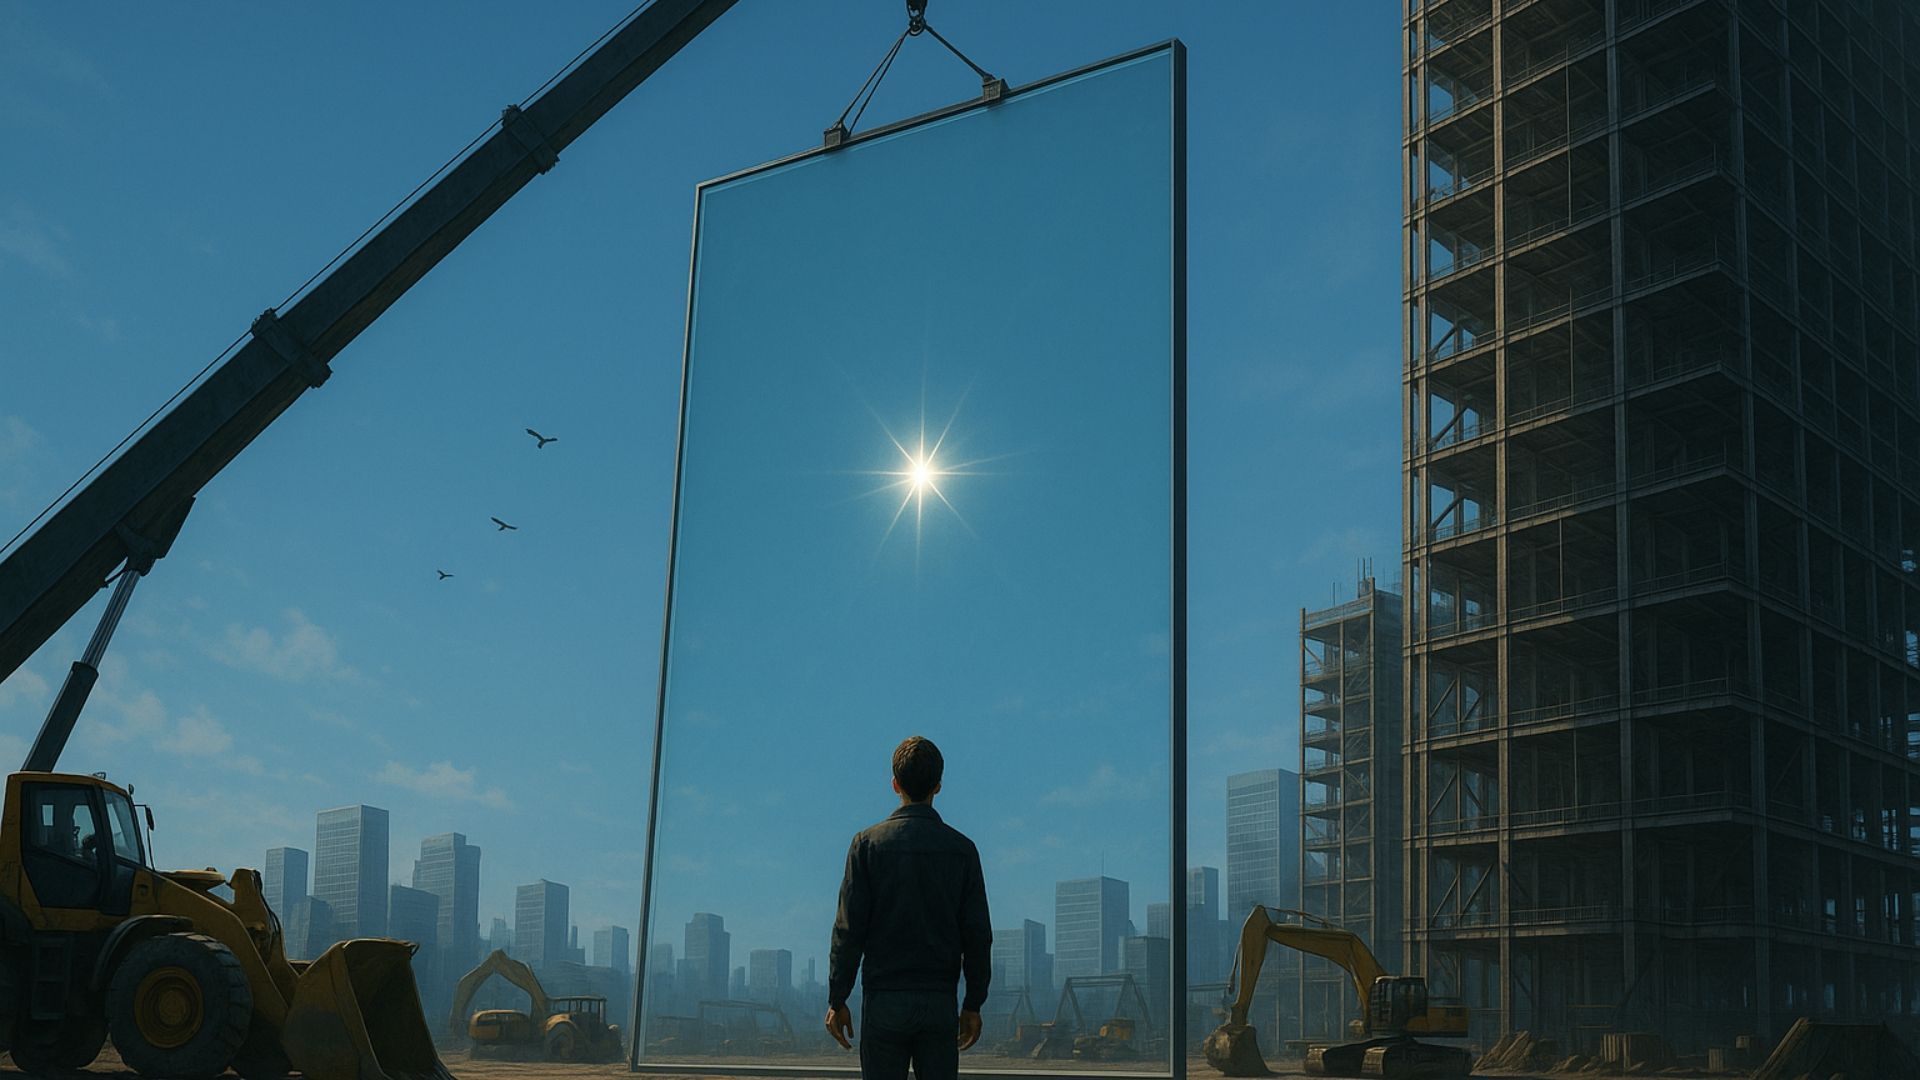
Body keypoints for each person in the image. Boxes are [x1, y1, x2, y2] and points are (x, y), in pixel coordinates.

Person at [826, 736, 992, 1080]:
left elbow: (849, 930)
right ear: (938, 786)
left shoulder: (866, 845)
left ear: (895, 784)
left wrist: (838, 997)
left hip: (884, 1001)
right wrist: (973, 1003)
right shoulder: (963, 850)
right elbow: (977, 935)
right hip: (938, 1002)